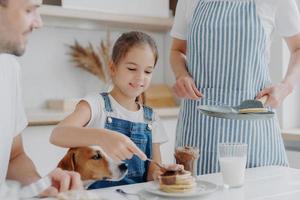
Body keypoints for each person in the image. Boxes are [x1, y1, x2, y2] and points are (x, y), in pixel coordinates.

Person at [0, 0, 145, 197]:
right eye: (29, 9)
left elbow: (14, 158)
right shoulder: (95, 103)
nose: (39, 22)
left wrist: (44, 190)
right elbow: (59, 134)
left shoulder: (8, 68)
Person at [170, 0, 300, 175]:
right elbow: (177, 50)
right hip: (197, 129)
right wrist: (181, 75)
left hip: (252, 132)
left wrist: (286, 86)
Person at [50, 31, 181, 189]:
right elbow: (57, 134)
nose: (140, 77)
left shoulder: (151, 117)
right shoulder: (96, 104)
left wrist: (159, 174)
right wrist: (103, 138)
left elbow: (152, 167)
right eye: (132, 69)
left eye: (148, 71)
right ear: (112, 68)